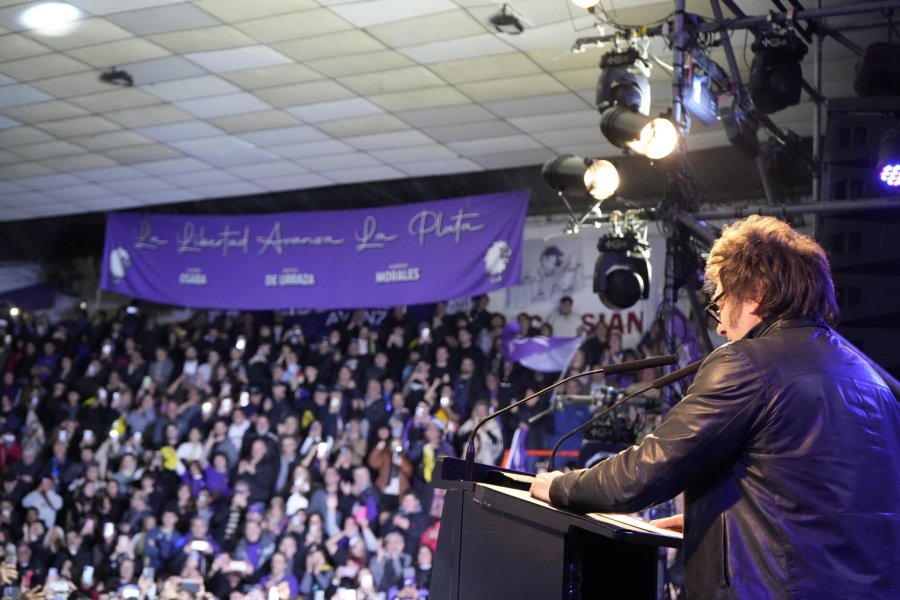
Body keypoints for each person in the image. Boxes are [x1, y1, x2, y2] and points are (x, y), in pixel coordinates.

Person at [530, 215, 900, 598]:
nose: (720, 325)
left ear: (756, 291)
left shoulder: (746, 363)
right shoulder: (871, 381)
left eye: (719, 301)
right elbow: (820, 504)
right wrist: (711, 518)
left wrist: (560, 486)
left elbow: (645, 473)